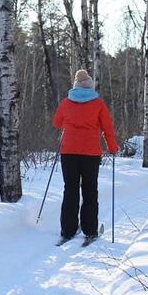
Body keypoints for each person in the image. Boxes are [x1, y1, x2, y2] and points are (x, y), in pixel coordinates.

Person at [51, 69, 118, 246]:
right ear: (89, 84)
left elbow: (56, 123)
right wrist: (113, 147)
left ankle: (68, 229)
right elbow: (107, 128)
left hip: (68, 152)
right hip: (90, 153)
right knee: (89, 190)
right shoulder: (98, 104)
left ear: (75, 85)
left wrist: (70, 122)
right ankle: (89, 229)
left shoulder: (66, 103)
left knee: (70, 189)